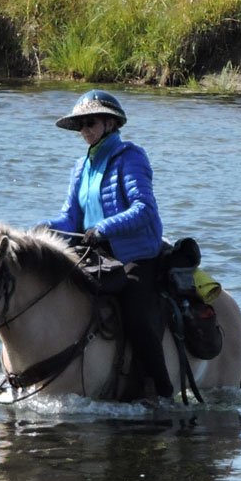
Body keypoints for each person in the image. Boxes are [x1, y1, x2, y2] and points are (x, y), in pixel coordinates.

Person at [46, 89, 174, 398]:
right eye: (80, 125)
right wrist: (44, 230)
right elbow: (69, 219)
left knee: (136, 314)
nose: (85, 130)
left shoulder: (130, 157)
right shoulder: (81, 166)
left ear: (110, 123)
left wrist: (103, 228)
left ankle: (162, 390)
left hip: (135, 254)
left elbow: (144, 209)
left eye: (91, 122)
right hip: (93, 252)